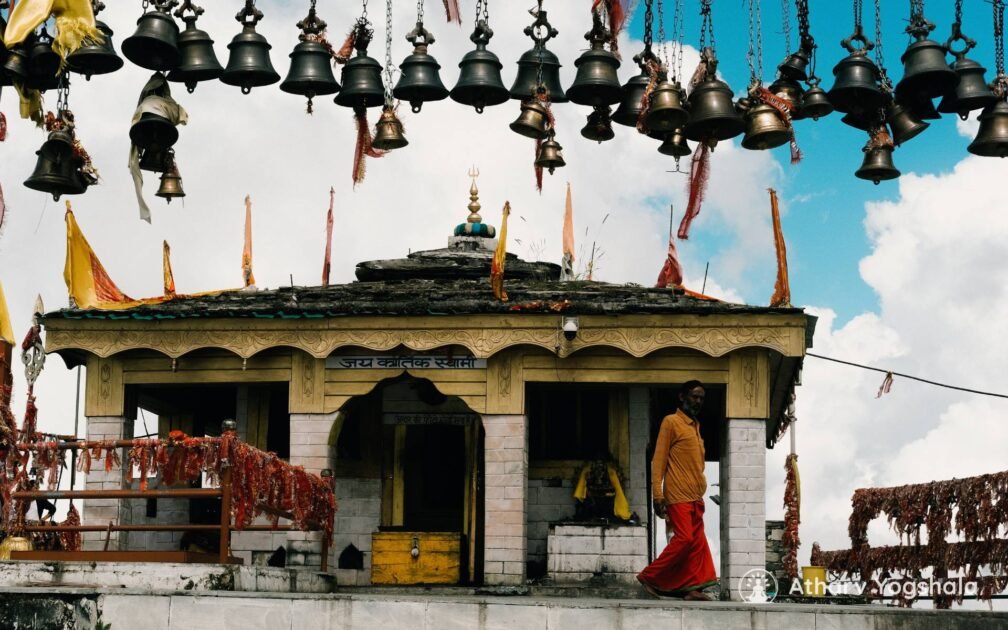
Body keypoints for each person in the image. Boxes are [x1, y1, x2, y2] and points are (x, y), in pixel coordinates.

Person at [637, 380, 718, 600]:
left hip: (695, 496)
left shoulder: (696, 426)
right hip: (677, 496)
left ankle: (693, 588)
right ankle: (649, 576)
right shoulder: (671, 422)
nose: (698, 401)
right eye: (694, 396)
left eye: (701, 398)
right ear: (682, 397)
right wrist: (657, 495)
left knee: (698, 543)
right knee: (683, 540)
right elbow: (659, 460)